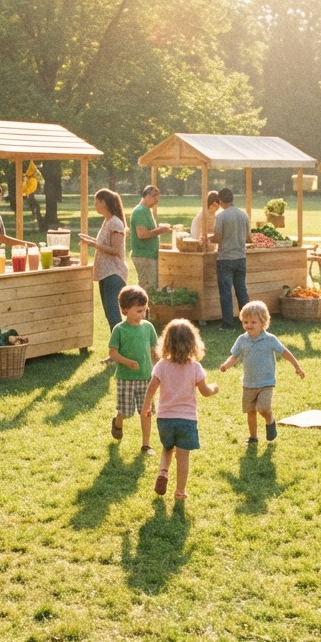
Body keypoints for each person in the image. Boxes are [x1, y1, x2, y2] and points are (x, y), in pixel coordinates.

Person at [143, 319, 219, 499]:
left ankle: (163, 471)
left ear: (166, 342)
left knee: (167, 447)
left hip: (165, 419)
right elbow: (205, 392)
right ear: (193, 343)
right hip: (187, 420)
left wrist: (147, 406)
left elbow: (151, 387)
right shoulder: (195, 367)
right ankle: (180, 491)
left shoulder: (161, 365)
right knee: (183, 455)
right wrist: (214, 388)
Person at [219, 301, 305, 443]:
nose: (249, 325)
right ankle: (253, 437)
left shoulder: (270, 339)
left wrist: (296, 366)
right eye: (245, 322)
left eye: (253, 322)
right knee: (250, 411)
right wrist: (226, 365)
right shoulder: (242, 339)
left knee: (263, 407)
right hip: (248, 383)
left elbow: (284, 352)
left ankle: (270, 419)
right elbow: (234, 356)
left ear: (263, 322)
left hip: (266, 382)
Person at [108, 286, 159, 454]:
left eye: (144, 310)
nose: (142, 315)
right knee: (126, 411)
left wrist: (161, 365)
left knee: (146, 411)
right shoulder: (119, 330)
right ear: (124, 310)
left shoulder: (148, 327)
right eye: (138, 311)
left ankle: (146, 444)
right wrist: (127, 362)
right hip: (125, 378)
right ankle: (118, 422)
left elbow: (154, 350)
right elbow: (112, 353)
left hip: (146, 378)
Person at [79, 188, 128, 329]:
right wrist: (89, 239)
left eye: (97, 201)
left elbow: (116, 250)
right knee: (109, 313)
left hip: (114, 274)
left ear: (105, 203)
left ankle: (122, 347)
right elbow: (105, 244)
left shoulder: (115, 223)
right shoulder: (107, 221)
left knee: (113, 314)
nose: (95, 204)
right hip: (105, 274)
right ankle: (115, 347)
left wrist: (93, 244)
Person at [210, 187, 250, 329]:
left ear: (220, 201)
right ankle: (248, 320)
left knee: (226, 292)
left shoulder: (221, 216)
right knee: (241, 290)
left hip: (225, 257)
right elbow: (247, 236)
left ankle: (228, 323)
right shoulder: (244, 214)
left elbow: (218, 237)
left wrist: (209, 239)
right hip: (240, 256)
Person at [129, 185, 173, 290]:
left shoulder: (146, 210)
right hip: (144, 256)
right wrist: (160, 230)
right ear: (148, 196)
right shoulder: (140, 211)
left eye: (158, 197)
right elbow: (142, 234)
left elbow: (148, 230)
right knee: (148, 288)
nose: (157, 201)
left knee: (151, 286)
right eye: (155, 197)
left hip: (149, 255)